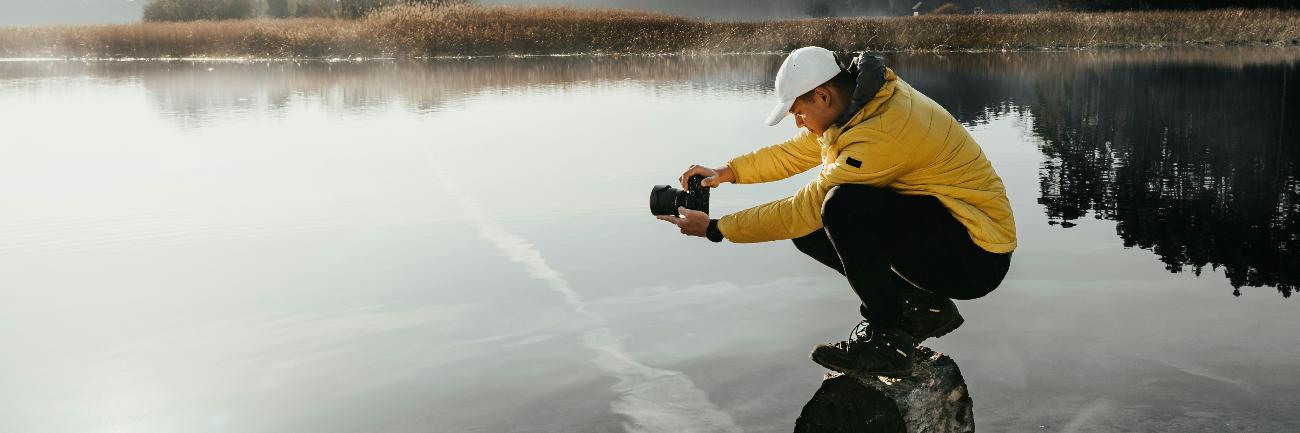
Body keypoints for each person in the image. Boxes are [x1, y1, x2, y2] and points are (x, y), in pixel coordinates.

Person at [655, 47, 1016, 378]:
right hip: (951, 231)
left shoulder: (880, 132)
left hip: (976, 255)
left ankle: (888, 341)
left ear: (823, 96)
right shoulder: (864, 101)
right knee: (812, 228)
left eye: (798, 112)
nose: (798, 122)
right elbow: (798, 152)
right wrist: (727, 173)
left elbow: (804, 208)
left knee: (840, 206)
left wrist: (716, 228)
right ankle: (922, 308)